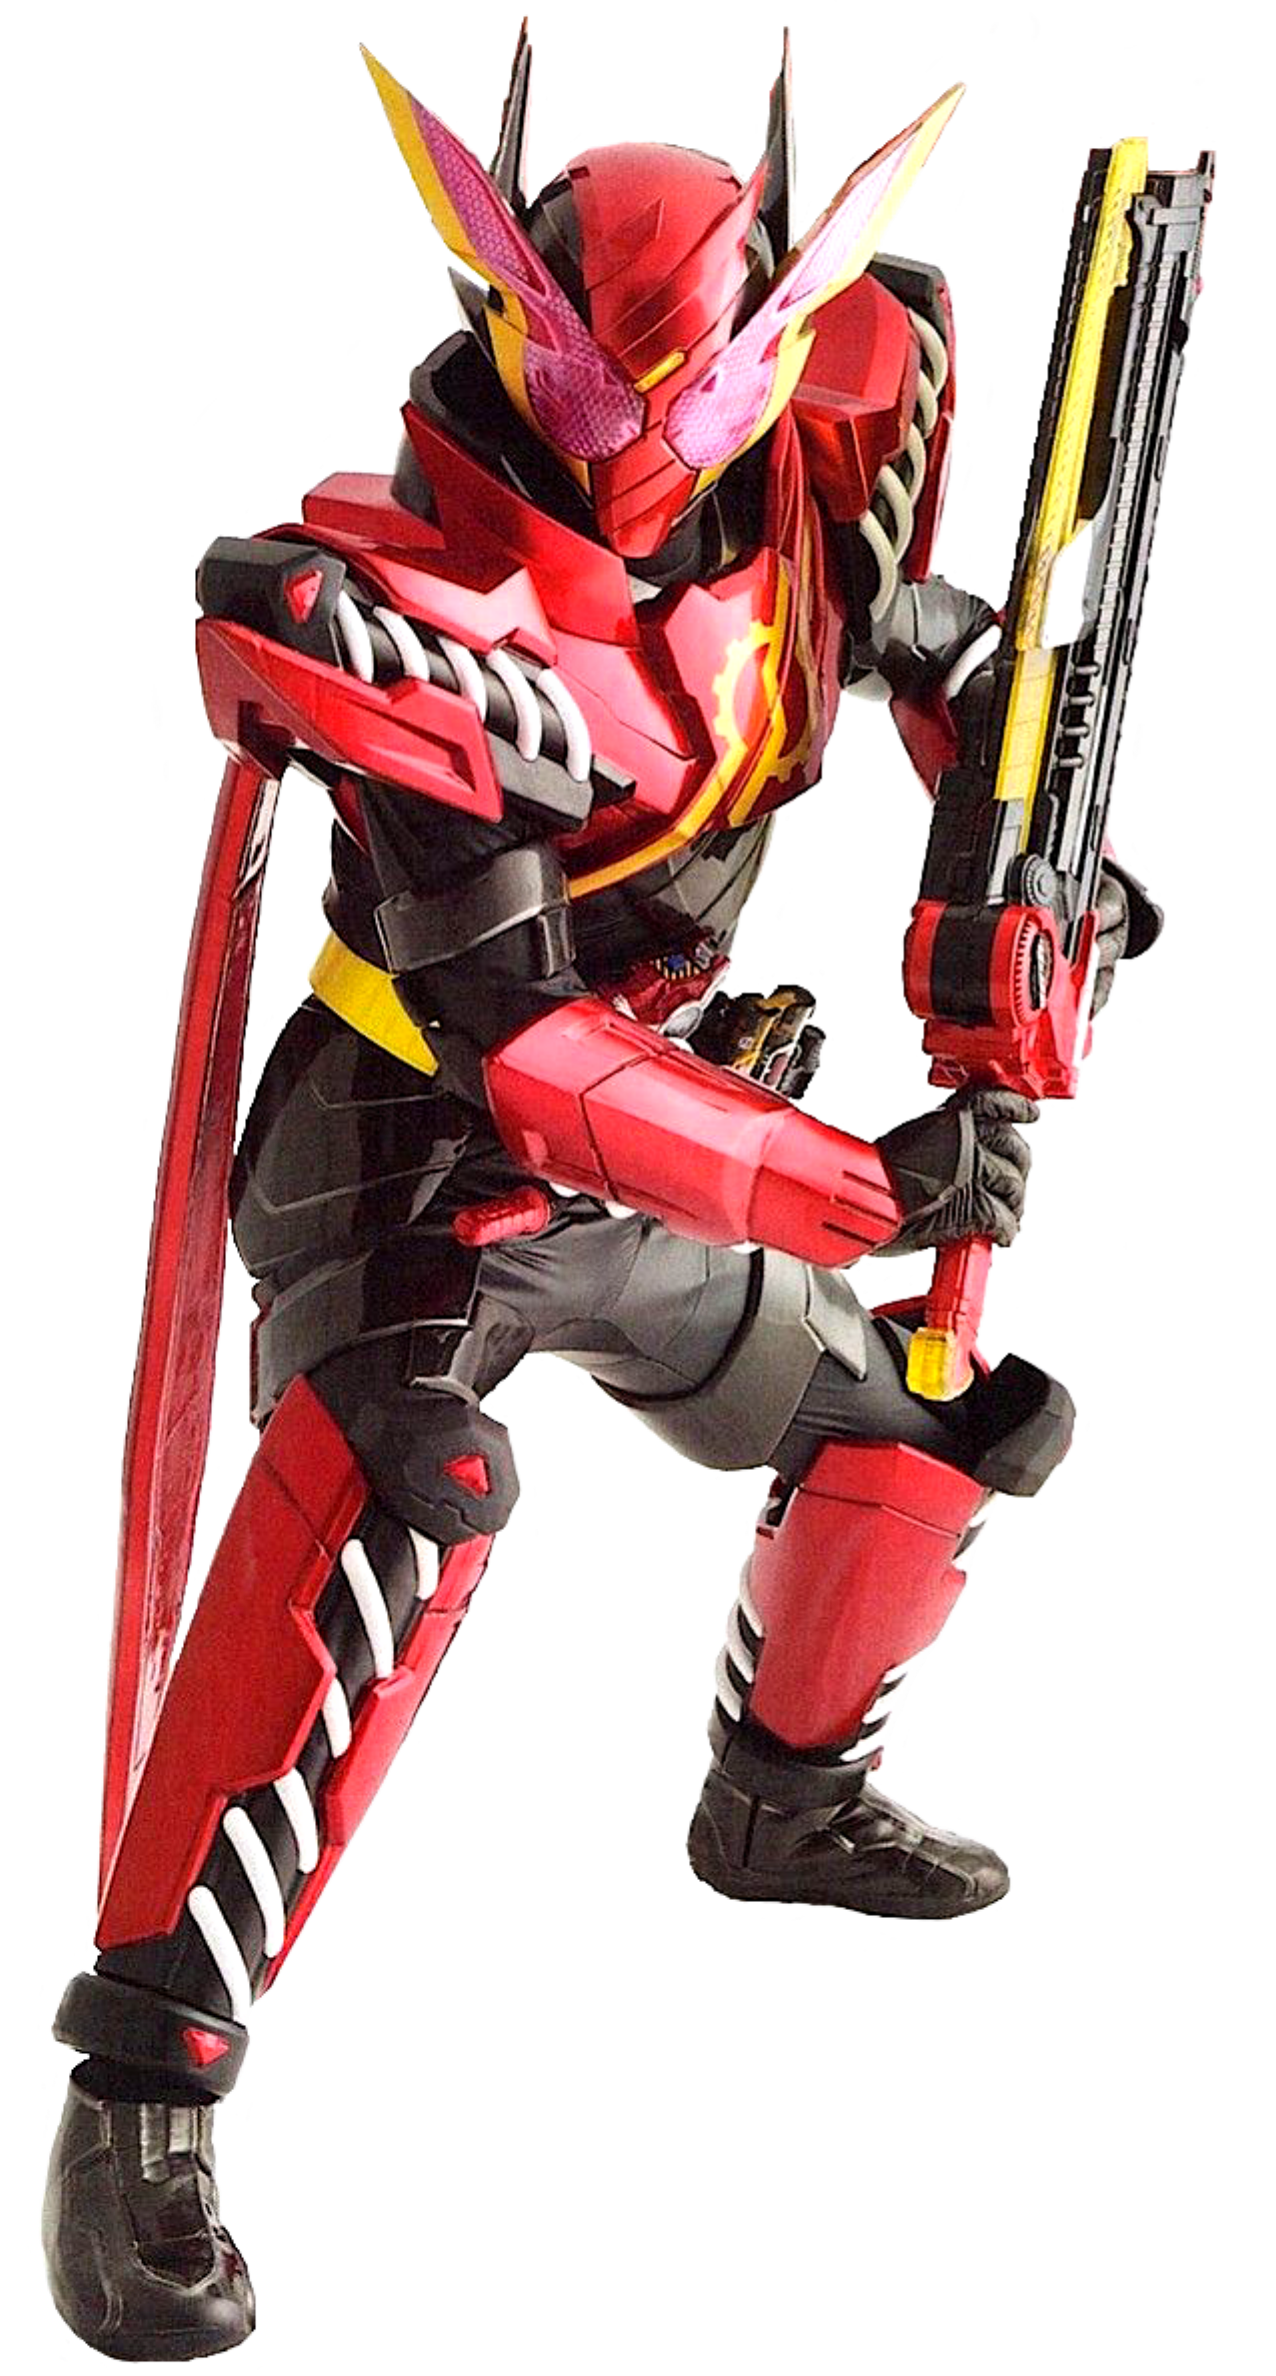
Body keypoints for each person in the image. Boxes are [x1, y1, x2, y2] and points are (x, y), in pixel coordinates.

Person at [40, 33, 1153, 2360]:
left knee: (940, 1427)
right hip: (415, 1151)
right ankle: (138, 2089)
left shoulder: (816, 466)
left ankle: (782, 1798)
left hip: (673, 1148)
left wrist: (1017, 883)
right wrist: (861, 1177)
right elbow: (524, 1053)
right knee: (407, 1485)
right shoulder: (402, 604)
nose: (641, 458)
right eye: (593, 404)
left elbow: (940, 668)